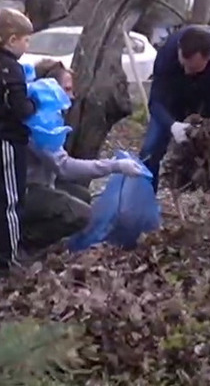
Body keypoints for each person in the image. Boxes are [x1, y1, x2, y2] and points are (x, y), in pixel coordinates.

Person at [20, 59, 146, 253]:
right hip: (23, 192)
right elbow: (64, 167)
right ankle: (25, 242)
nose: (71, 96)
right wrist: (114, 166)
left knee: (82, 195)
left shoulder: (46, 115)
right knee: (82, 214)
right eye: (67, 89)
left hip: (37, 186)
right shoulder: (37, 123)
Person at [138, 25, 210, 235]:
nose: (187, 71)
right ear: (180, 51)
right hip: (173, 104)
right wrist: (173, 126)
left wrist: (208, 133)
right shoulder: (168, 52)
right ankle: (143, 222)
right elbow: (156, 102)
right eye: (184, 65)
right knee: (148, 152)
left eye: (194, 69)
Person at [0, 8, 37, 278]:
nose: (27, 45)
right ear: (12, 39)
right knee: (11, 201)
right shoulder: (11, 69)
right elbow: (21, 108)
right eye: (26, 40)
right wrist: (34, 103)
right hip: (8, 141)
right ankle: (9, 258)